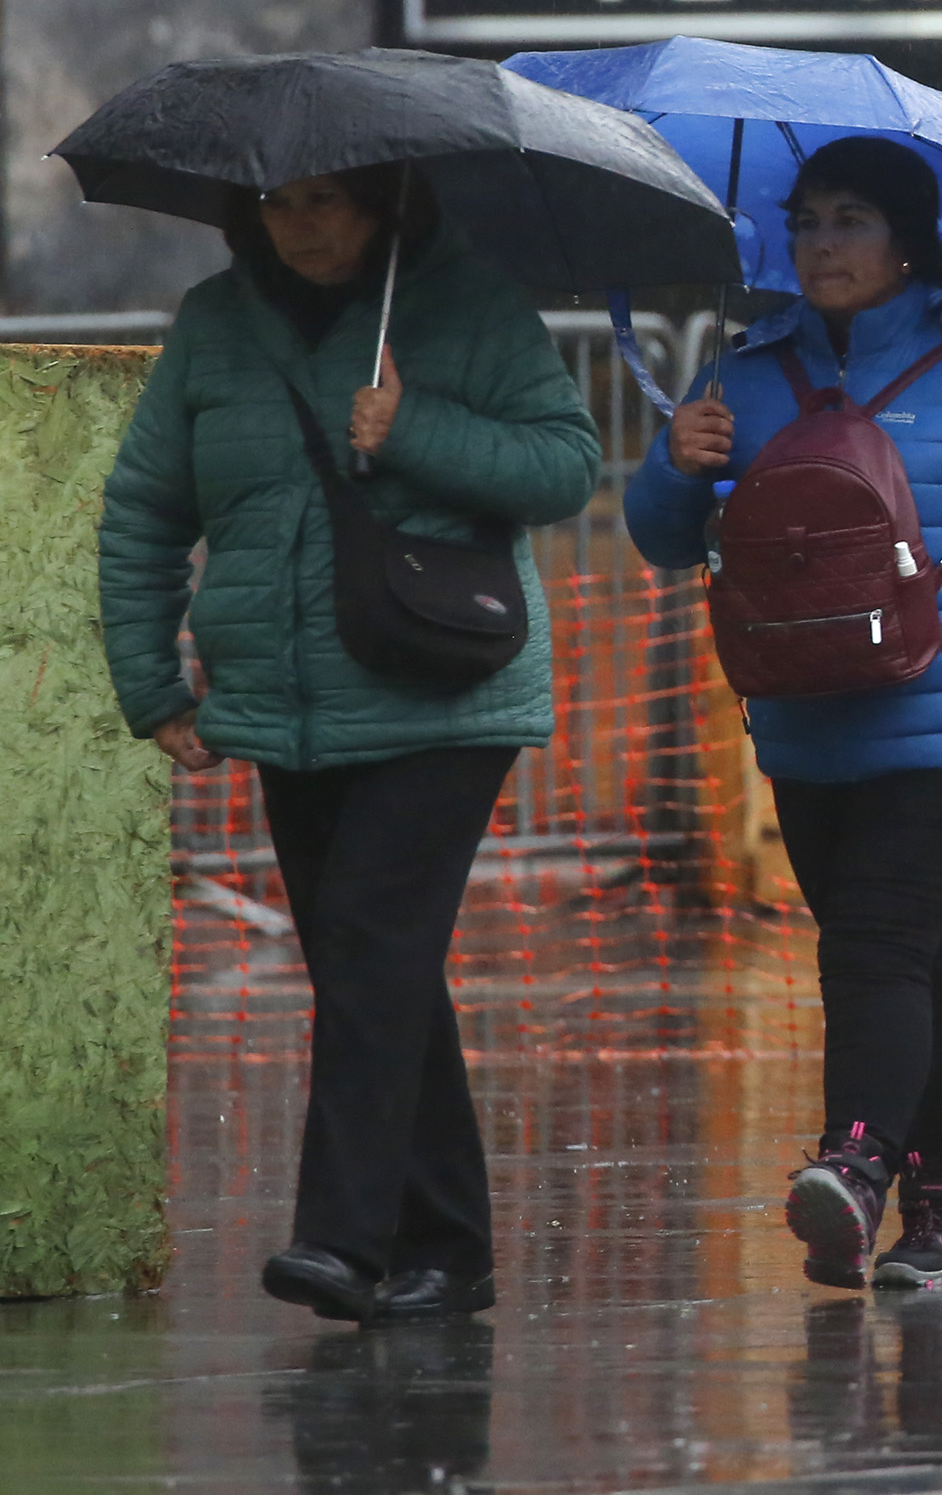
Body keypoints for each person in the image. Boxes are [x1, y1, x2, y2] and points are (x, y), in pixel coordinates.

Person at [627, 136, 942, 1290]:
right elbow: (666, 541)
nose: (822, 245)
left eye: (851, 221)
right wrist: (675, 465)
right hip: (808, 724)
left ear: (907, 242)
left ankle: (856, 1161)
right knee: (896, 958)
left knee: (871, 937)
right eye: (807, 222)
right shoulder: (745, 377)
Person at [100, 167, 601, 1324]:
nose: (306, 225)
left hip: (442, 692)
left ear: (386, 202)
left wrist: (413, 426)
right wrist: (149, 680)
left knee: (371, 941)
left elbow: (565, 465)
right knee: (372, 965)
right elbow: (146, 509)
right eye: (281, 203)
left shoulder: (467, 307)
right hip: (288, 704)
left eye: (332, 199)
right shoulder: (213, 326)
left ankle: (341, 1238)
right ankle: (450, 1247)